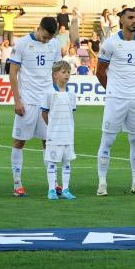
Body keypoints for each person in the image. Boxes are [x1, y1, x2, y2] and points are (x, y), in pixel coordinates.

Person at [95, 7, 135, 196]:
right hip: (115, 99)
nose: (134, 21)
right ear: (121, 21)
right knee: (108, 139)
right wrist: (112, 89)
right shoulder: (111, 43)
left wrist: (133, 85)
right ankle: (102, 183)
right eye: (130, 18)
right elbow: (100, 71)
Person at [8, 17, 61, 196]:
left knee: (48, 141)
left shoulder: (54, 45)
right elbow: (13, 73)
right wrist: (17, 100)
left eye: (49, 38)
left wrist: (56, 96)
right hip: (27, 101)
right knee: (20, 141)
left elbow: (56, 73)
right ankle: (17, 184)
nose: (46, 40)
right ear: (38, 28)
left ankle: (53, 183)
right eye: (45, 36)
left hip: (46, 101)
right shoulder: (22, 43)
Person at [41, 60, 77, 200]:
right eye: (63, 72)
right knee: (52, 162)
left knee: (67, 162)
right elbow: (44, 113)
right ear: (55, 75)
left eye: (68, 72)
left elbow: (71, 112)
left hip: (68, 134)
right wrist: (52, 127)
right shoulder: (49, 92)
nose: (67, 75)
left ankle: (66, 189)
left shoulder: (71, 93)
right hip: (54, 135)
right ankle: (51, 190)